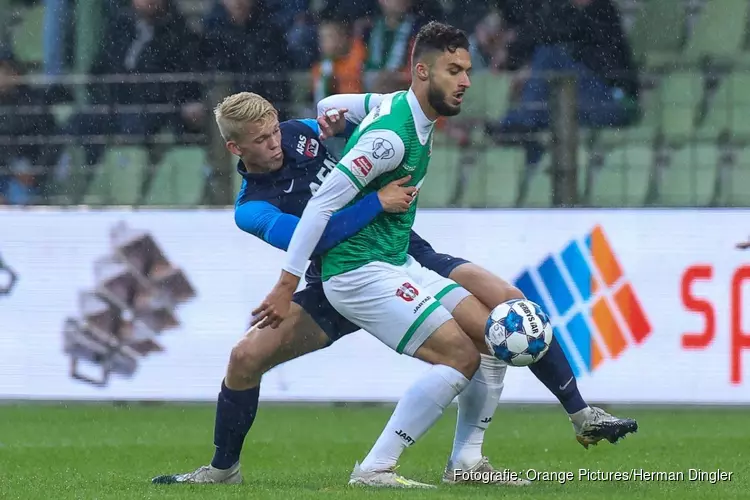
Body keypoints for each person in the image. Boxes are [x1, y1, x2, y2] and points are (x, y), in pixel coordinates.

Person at [252, 21, 635, 488]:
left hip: (394, 259)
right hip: (358, 271)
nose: (466, 81)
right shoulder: (388, 139)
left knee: (493, 340)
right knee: (459, 357)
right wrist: (286, 283)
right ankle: (375, 469)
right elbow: (320, 205)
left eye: (467, 70)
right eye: (453, 70)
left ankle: (467, 464)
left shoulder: (397, 106)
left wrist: (333, 116)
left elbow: (332, 106)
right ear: (421, 72)